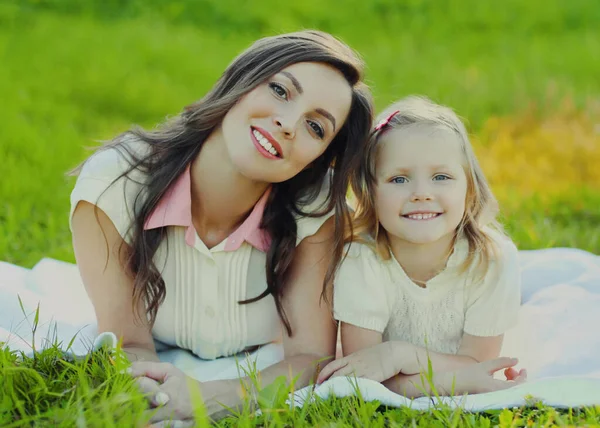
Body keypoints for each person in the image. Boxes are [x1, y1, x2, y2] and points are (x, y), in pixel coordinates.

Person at [69, 30, 373, 422]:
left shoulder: (316, 210)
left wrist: (218, 396)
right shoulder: (114, 183)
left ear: (317, 158)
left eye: (316, 127)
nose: (287, 123)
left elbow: (311, 357)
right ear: (240, 81)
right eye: (280, 90)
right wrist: (151, 387)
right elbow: (130, 343)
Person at [317, 96, 527, 397]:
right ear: (370, 194)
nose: (421, 193)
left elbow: (480, 366)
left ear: (469, 189)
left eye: (441, 177)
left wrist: (400, 356)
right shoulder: (361, 258)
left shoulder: (492, 260)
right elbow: (364, 377)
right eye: (399, 179)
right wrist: (456, 380)